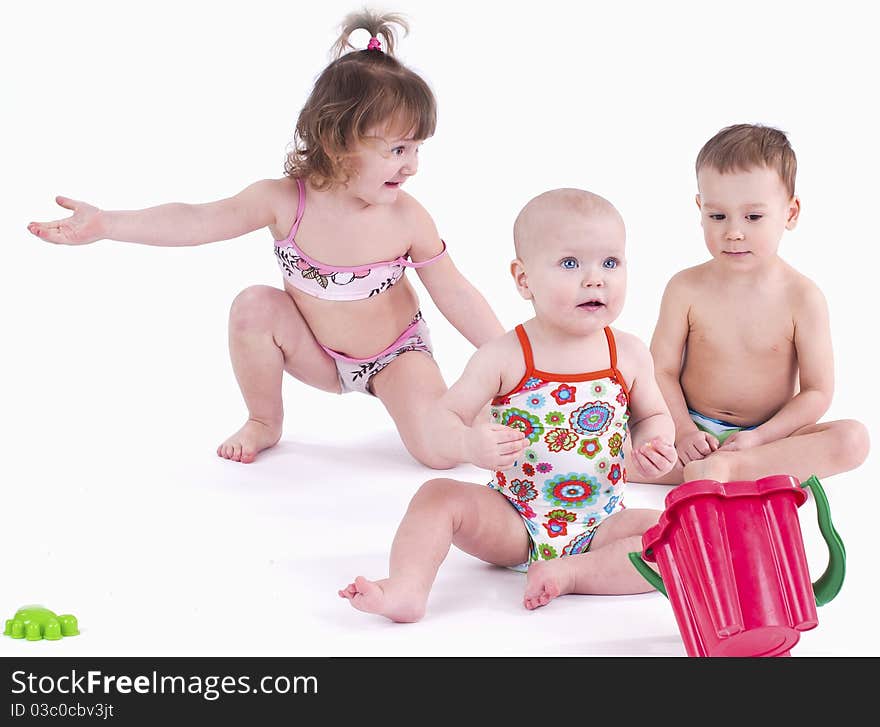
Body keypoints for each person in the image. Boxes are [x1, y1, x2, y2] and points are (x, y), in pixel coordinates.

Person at [26, 10, 508, 468]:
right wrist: (108, 223)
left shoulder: (406, 218)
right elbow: (198, 221)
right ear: (338, 140)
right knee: (252, 305)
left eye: (417, 149)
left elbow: (454, 291)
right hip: (316, 354)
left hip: (395, 355)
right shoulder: (284, 201)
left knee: (433, 448)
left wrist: (513, 352)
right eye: (397, 149)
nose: (412, 165)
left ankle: (472, 429)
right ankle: (264, 420)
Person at [338, 188, 677, 622]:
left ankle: (571, 573)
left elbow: (652, 416)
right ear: (523, 279)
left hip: (602, 520)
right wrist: (468, 445)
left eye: (610, 262)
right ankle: (406, 587)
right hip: (515, 518)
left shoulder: (627, 354)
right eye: (571, 264)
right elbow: (442, 418)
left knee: (677, 535)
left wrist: (655, 443)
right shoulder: (506, 355)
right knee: (436, 496)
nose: (596, 279)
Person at [629, 123, 869, 486]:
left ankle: (733, 470)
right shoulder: (685, 287)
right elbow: (659, 372)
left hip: (767, 438)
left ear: (790, 213)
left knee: (853, 439)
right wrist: (682, 432)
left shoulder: (803, 297)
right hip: (690, 433)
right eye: (717, 216)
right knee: (606, 450)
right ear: (700, 208)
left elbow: (817, 391)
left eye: (753, 217)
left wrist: (760, 437)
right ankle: (710, 470)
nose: (733, 231)